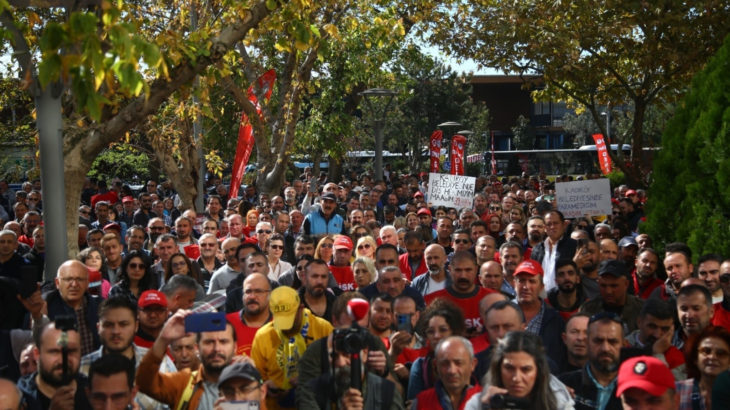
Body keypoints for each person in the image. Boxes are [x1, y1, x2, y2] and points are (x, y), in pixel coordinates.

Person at [251, 286, 333, 410]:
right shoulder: (263, 336)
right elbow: (255, 379)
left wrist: (310, 379)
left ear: (301, 308)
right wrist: (267, 386)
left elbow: (338, 373)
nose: (285, 326)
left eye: (289, 318)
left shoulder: (323, 329)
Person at [136, 309, 238, 409]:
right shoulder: (183, 384)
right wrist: (163, 339)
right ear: (197, 348)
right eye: (209, 342)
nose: (216, 349)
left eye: (223, 341)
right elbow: (144, 382)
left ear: (235, 347)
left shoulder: (249, 384)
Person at [466, 331, 564, 410]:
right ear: (498, 368)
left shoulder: (558, 403)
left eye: (526, 370)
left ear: (538, 371)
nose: (516, 378)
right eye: (509, 368)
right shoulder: (478, 404)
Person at [18, 320, 92, 409]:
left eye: (71, 351)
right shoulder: (18, 397)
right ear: (37, 354)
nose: (63, 360)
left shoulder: (93, 390)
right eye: (54, 352)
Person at [559, 312, 625, 410]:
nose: (605, 348)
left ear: (624, 344)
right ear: (588, 342)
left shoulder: (636, 389)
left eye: (612, 342)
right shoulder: (563, 386)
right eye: (598, 341)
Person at [407, 298, 465, 401]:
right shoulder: (420, 367)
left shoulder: (469, 362)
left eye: (443, 330)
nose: (436, 336)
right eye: (431, 331)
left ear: (454, 332)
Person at [425, 251, 495, 337]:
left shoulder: (493, 298)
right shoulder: (433, 302)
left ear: (476, 270)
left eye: (468, 270)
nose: (463, 276)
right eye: (458, 270)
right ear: (450, 270)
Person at [513, 260, 567, 367]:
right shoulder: (502, 314)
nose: (526, 286)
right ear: (514, 283)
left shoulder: (555, 320)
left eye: (532, 281)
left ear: (542, 286)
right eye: (522, 281)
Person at [412, 336, 480, 409]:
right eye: (445, 363)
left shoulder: (486, 400)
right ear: (436, 365)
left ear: (472, 364)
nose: (452, 371)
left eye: (458, 363)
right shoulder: (421, 402)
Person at [580, 260, 644, 332]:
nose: (608, 291)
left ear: (626, 284)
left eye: (614, 286)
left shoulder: (641, 309)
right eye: (603, 286)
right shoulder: (588, 309)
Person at [675, 326, 730, 409]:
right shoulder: (678, 391)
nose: (712, 357)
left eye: (721, 353)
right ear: (695, 358)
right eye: (706, 351)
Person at [226, 273, 272, 356]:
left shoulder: (282, 325)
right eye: (248, 291)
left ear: (269, 295)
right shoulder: (226, 323)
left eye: (258, 291)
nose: (252, 296)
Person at [530, 210, 577, 293]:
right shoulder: (537, 249)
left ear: (563, 225)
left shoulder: (573, 246)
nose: (552, 227)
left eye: (555, 223)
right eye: (549, 224)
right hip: (541, 298)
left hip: (564, 297)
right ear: (544, 228)